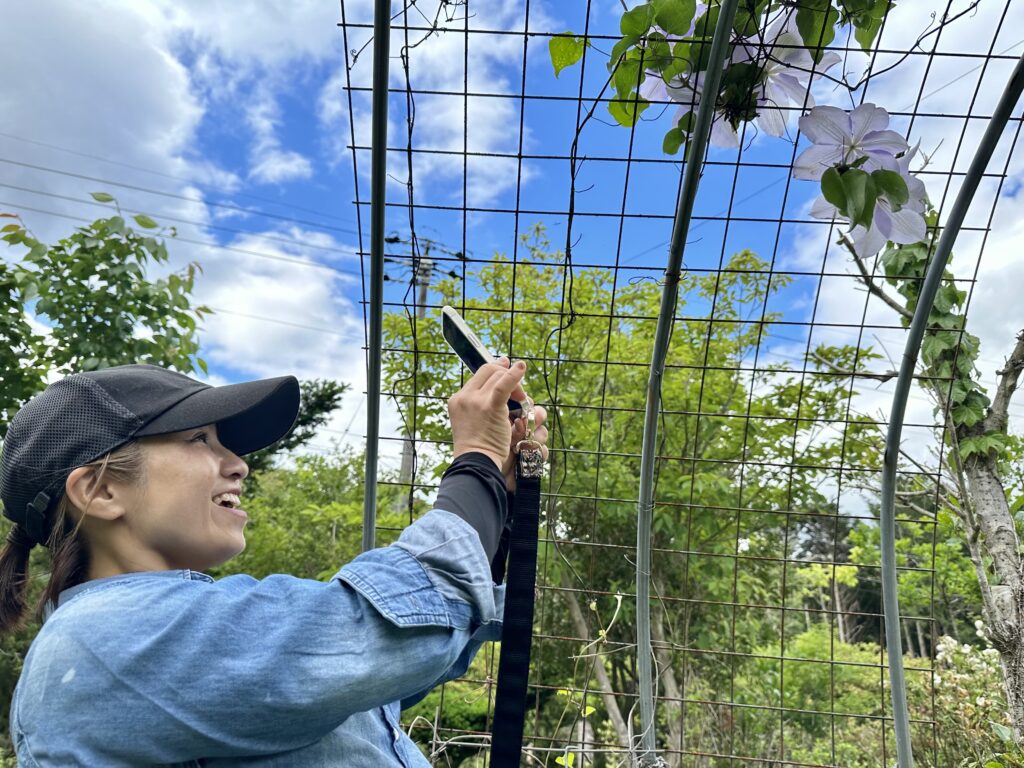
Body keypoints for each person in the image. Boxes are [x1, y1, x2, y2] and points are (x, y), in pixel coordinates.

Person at [0, 358, 547, 766]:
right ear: (99, 492)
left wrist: (493, 503)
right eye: (199, 439)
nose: (237, 464)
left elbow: (372, 682)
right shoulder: (112, 636)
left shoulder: (150, 634)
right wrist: (473, 465)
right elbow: (392, 633)